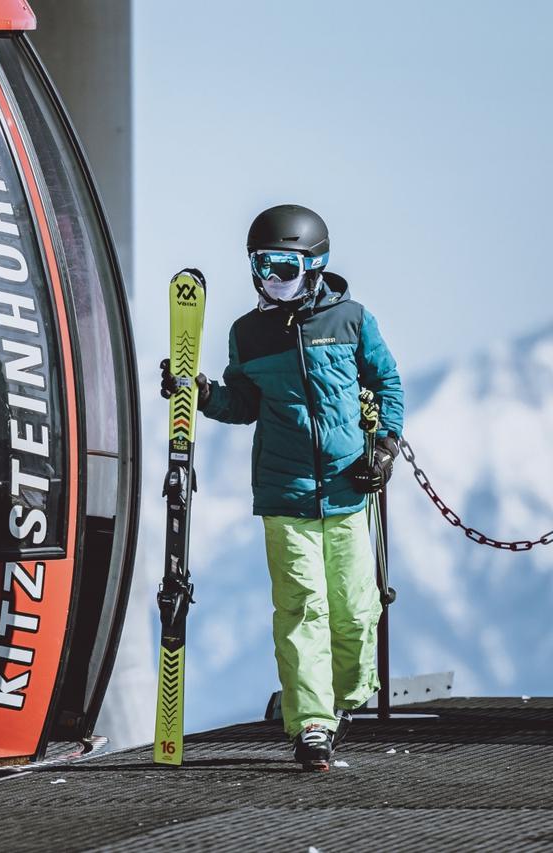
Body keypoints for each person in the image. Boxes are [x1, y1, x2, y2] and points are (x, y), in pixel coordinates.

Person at [161, 204, 404, 770]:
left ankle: (342, 701)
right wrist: (198, 392)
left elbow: (386, 381)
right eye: (263, 266)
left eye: (285, 266)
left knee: (356, 614)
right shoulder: (248, 333)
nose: (272, 279)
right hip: (284, 494)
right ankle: (312, 723)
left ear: (315, 265)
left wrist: (385, 448)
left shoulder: (352, 321)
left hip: (348, 489)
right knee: (302, 609)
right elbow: (243, 403)